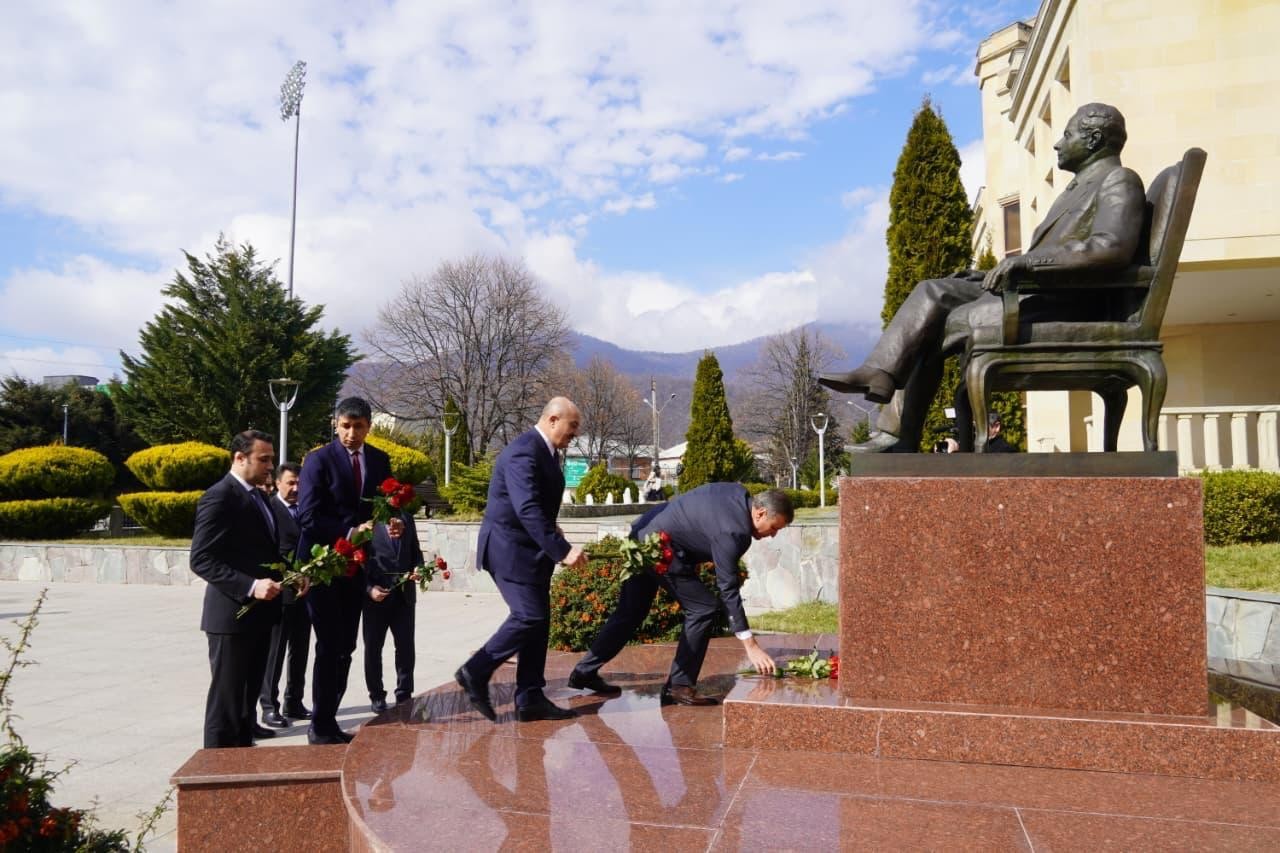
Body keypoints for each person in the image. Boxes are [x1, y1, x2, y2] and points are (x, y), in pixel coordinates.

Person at [821, 103, 1145, 452]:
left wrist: (1029, 262)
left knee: (931, 322)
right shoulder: (1079, 188)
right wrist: (985, 275)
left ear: (1093, 139)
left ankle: (897, 430)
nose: (1057, 143)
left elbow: (1111, 248)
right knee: (932, 294)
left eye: (1067, 135)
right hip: (1039, 293)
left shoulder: (1119, 180)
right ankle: (883, 384)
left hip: (1066, 303)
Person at [568, 483, 791, 705]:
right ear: (760, 513)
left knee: (630, 612)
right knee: (703, 608)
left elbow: (697, 518)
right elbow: (728, 588)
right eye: (774, 528)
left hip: (643, 534)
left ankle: (584, 672)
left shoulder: (737, 493)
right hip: (661, 548)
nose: (773, 535)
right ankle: (679, 686)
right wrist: (751, 646)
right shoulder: (734, 532)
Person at [455, 397, 588, 723]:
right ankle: (475, 671)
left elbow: (535, 506)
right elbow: (526, 507)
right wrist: (562, 550)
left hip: (530, 553)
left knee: (539, 623)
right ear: (553, 419)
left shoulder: (547, 452)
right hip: (509, 550)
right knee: (529, 616)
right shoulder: (523, 451)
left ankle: (530, 698)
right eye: (572, 427)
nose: (574, 434)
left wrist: (553, 532)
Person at [297, 396, 398, 745]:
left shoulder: (379, 460)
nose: (351, 433)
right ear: (335, 424)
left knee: (346, 646)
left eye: (358, 427)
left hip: (357, 568)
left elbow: (385, 508)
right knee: (329, 643)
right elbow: (308, 516)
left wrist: (393, 523)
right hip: (322, 564)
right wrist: (351, 531)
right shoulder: (318, 460)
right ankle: (321, 724)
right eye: (345, 426)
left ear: (369, 427)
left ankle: (328, 718)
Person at [189, 430, 285, 748]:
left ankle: (241, 764)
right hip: (232, 617)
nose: (270, 466)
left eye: (271, 459)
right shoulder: (220, 496)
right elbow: (201, 559)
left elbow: (261, 552)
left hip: (259, 617)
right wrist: (251, 586)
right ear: (240, 458)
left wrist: (291, 574)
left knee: (245, 708)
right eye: (264, 459)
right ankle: (214, 769)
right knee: (226, 707)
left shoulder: (259, 497)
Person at [259, 462, 312, 728]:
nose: (295, 488)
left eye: (299, 483)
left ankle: (295, 701)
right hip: (281, 592)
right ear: (278, 483)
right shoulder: (269, 510)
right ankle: (269, 706)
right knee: (276, 651)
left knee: (300, 650)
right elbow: (272, 551)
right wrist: (291, 576)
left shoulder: (306, 510)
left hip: (306, 593)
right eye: (290, 483)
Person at [362, 510, 423, 713]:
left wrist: (419, 568)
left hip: (404, 597)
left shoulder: (407, 518)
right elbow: (359, 562)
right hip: (376, 598)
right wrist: (369, 589)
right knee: (373, 649)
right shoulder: (369, 522)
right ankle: (377, 695)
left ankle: (404, 693)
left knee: (405, 648)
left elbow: (416, 552)